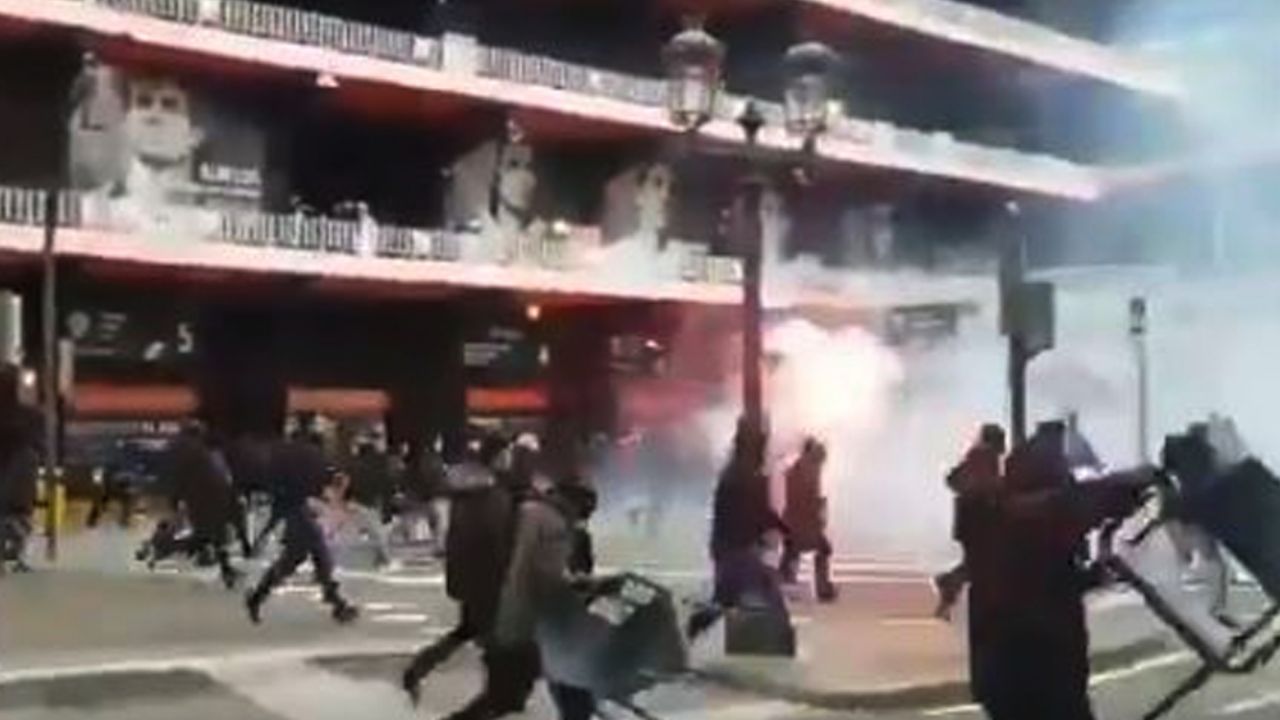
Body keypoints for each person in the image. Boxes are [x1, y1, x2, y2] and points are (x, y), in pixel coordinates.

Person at [963, 424, 1148, 720]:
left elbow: (1045, 580)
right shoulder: (1022, 516)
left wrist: (1090, 577)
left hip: (1017, 673)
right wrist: (1135, 481)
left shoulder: (1006, 519)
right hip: (1036, 675)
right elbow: (1076, 505)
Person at [401, 434, 514, 706]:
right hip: (487, 578)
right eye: (507, 453)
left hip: (470, 576)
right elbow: (493, 538)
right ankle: (499, 695)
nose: (510, 459)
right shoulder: (489, 494)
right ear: (497, 457)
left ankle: (417, 670)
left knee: (469, 631)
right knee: (493, 638)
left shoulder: (472, 492)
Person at [688, 418, 789, 640]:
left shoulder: (737, 470)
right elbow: (756, 512)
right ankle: (776, 642)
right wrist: (782, 530)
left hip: (729, 547)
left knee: (726, 599)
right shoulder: (744, 474)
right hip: (736, 549)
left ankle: (692, 629)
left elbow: (753, 512)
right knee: (767, 595)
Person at [245, 434, 358, 625]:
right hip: (299, 511)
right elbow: (328, 480)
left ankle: (258, 596)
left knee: (300, 558)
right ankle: (335, 601)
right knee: (314, 555)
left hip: (293, 509)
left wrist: (270, 525)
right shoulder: (312, 456)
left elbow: (273, 484)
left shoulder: (282, 453)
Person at [1162, 426, 1235, 626]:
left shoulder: (1177, 451)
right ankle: (1215, 607)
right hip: (1193, 510)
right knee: (1212, 561)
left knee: (1186, 557)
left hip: (1177, 510)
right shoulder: (1208, 454)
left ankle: (1189, 601)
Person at [934, 423, 1006, 620]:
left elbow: (956, 480)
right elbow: (987, 485)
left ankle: (946, 599)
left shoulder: (975, 455)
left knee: (975, 563)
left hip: (969, 518)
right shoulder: (986, 456)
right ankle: (948, 585)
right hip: (979, 518)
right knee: (980, 564)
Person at [160, 421, 243, 589]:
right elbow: (208, 475)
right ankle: (166, 546)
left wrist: (175, 497)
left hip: (200, 496)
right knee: (209, 535)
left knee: (210, 534)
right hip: (209, 495)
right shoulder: (196, 450)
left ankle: (226, 569)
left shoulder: (182, 448)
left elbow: (176, 475)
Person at [780, 438, 836, 602]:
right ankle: (823, 589)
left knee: (791, 551)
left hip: (790, 521)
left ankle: (785, 584)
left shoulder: (796, 469)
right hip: (804, 523)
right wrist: (820, 510)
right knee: (824, 549)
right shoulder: (811, 469)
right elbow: (809, 499)